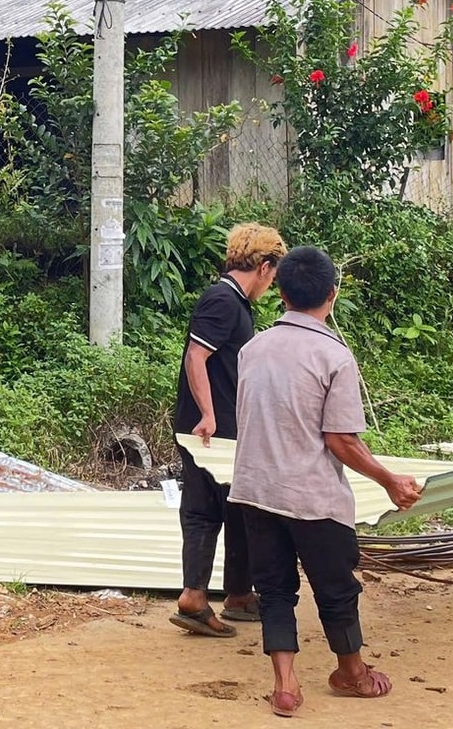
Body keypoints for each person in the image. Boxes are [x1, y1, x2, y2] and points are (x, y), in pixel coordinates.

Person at [230, 246, 422, 717]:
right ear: (332, 295)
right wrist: (389, 479)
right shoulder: (333, 355)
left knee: (274, 589)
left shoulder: (252, 350)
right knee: (336, 587)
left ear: (279, 291)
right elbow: (340, 440)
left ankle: (286, 684)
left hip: (255, 491)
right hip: (312, 496)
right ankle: (353, 673)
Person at [168, 222, 287, 639]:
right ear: (265, 267)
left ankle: (236, 593)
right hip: (208, 430)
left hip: (223, 427)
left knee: (236, 508)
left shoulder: (234, 302)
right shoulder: (222, 300)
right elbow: (195, 358)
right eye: (272, 277)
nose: (270, 286)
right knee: (206, 510)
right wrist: (208, 414)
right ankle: (196, 597)